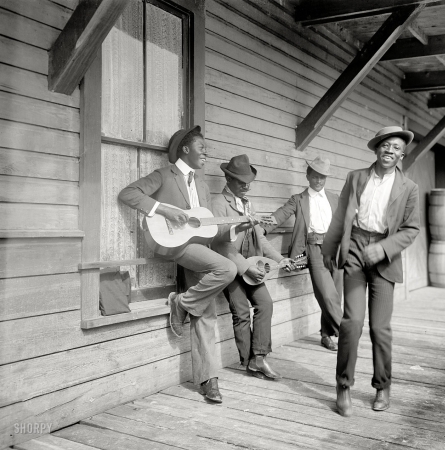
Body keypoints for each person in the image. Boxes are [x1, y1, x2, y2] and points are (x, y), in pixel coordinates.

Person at [118, 126, 237, 403]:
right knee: (227, 269)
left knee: (205, 312)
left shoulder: (203, 185)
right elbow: (128, 193)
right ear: (185, 149)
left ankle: (209, 380)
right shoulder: (164, 175)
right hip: (175, 244)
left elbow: (209, 228)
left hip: (198, 248)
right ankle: (181, 303)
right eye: (201, 147)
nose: (206, 152)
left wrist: (237, 225)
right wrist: (164, 209)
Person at [322, 126, 420, 417]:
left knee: (380, 328)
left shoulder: (409, 188)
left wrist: (385, 247)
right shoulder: (356, 178)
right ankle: (343, 386)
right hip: (354, 248)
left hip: (385, 257)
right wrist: (329, 249)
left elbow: (411, 229)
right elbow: (341, 215)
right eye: (386, 146)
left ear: (402, 155)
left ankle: (382, 386)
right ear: (377, 148)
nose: (390, 151)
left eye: (396, 148)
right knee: (351, 322)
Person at [211, 154, 294, 380]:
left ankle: (258, 358)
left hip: (252, 266)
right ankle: (251, 362)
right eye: (240, 181)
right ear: (228, 179)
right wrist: (245, 267)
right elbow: (220, 242)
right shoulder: (218, 204)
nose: (246, 186)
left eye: (248, 181)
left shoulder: (248, 204)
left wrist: (280, 259)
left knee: (264, 304)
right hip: (231, 266)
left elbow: (260, 237)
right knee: (240, 312)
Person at [264, 156, 343, 351]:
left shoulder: (334, 198)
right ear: (308, 176)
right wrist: (261, 228)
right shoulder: (298, 199)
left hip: (337, 249)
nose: (318, 181)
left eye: (322, 177)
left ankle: (326, 335)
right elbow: (280, 214)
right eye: (315, 176)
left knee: (335, 293)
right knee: (326, 294)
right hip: (314, 249)